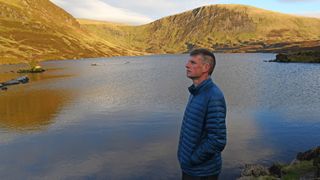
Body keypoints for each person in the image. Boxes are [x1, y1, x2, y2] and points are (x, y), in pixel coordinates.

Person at [177, 48, 227, 180]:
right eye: (189, 62)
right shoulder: (196, 92)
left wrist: (193, 159)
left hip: (202, 173)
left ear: (206, 67)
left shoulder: (213, 96)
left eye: (193, 62)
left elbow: (217, 140)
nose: (187, 65)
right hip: (191, 169)